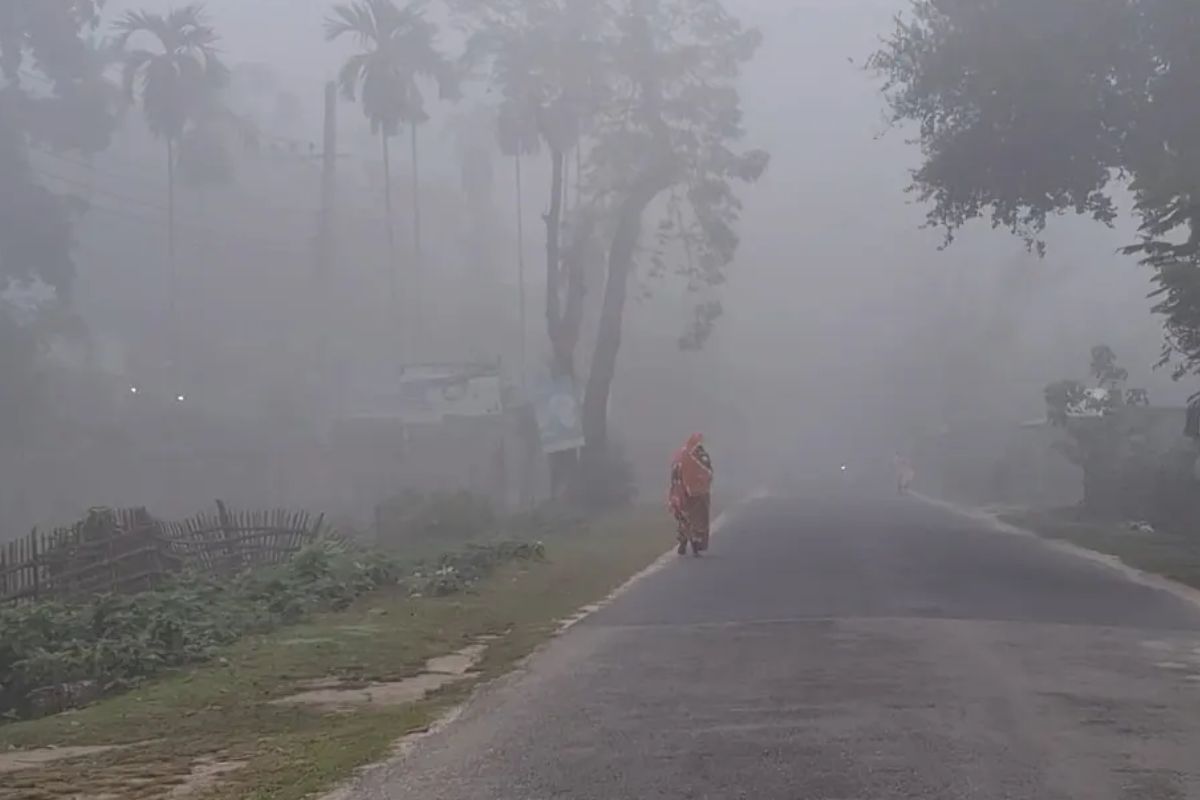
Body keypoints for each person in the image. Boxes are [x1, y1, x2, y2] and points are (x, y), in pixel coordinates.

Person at [669, 433, 714, 555]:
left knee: (685, 518)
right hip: (696, 494)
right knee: (696, 519)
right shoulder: (700, 457)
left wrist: (674, 490)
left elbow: (674, 473)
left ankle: (684, 541)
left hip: (683, 492)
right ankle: (695, 543)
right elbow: (708, 473)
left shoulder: (681, 456)